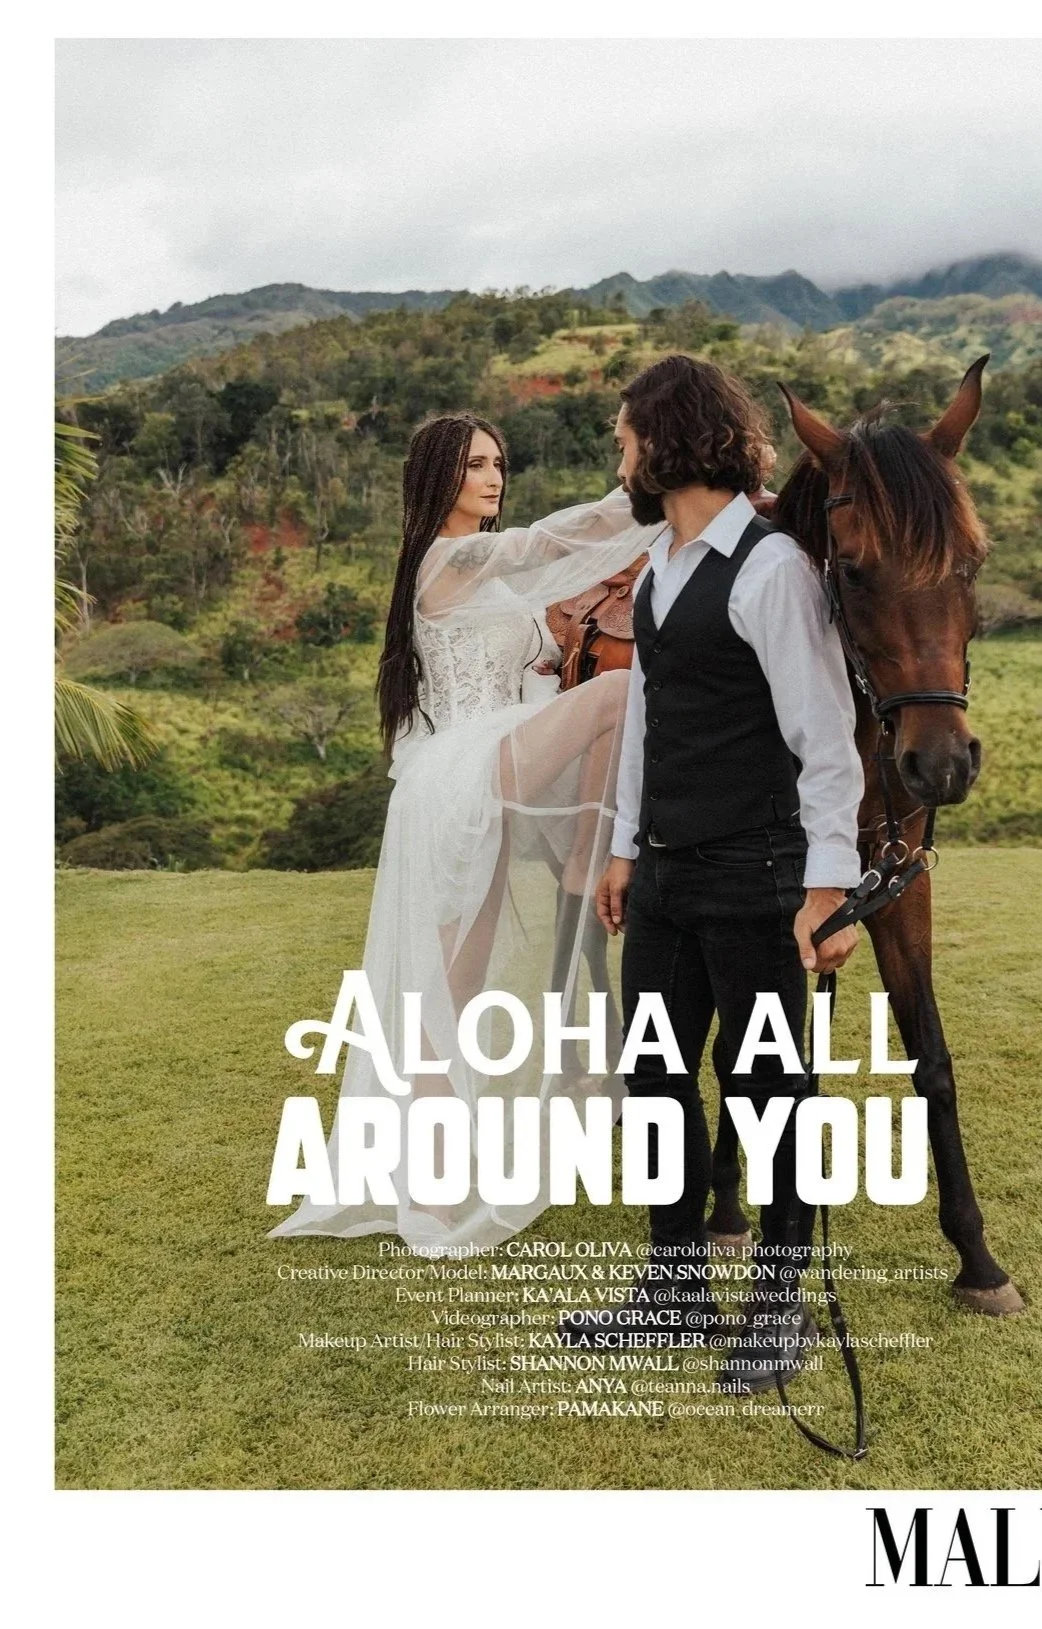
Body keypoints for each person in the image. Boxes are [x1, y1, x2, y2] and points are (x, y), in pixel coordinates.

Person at [269, 412, 663, 1254]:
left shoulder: (480, 577)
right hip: (462, 771)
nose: (492, 477)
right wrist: (659, 490)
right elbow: (555, 537)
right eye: (475, 465)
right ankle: (600, 861)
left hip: (480, 771)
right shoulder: (449, 558)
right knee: (619, 694)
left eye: (499, 463)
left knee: (454, 983)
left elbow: (537, 627)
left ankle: (434, 1186)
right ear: (438, 477)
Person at [555, 356, 865, 1397]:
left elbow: (825, 742)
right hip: (667, 878)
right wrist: (626, 846)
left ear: (671, 438)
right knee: (653, 1082)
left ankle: (778, 1309)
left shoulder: (772, 569)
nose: (620, 453)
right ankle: (674, 1288)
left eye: (626, 436)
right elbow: (648, 718)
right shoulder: (662, 564)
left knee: (768, 1091)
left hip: (759, 874)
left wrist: (827, 892)